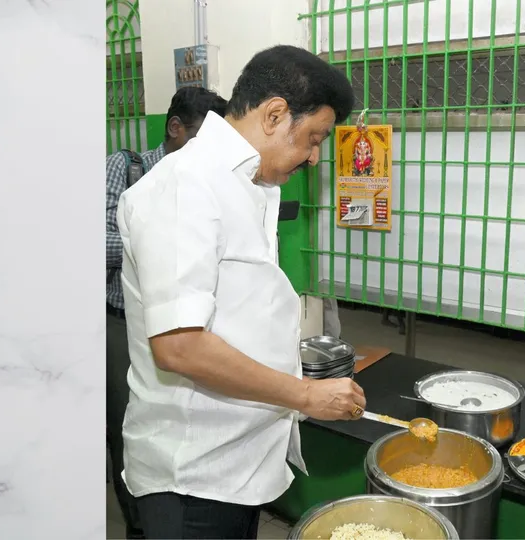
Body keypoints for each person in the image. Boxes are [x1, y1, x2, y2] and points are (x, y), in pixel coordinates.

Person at [116, 45, 366, 539]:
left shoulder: (245, 186)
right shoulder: (185, 188)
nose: (315, 157)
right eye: (313, 138)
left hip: (235, 460)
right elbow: (180, 345)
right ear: (274, 114)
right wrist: (303, 395)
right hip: (193, 475)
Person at [105, 86, 228, 540]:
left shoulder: (205, 180)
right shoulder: (128, 168)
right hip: (123, 323)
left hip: (183, 325)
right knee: (129, 426)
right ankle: (139, 522)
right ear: (175, 128)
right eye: (201, 138)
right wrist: (151, 237)